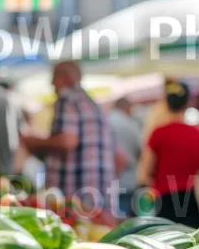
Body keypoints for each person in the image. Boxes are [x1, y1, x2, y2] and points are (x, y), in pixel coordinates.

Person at [21, 61, 125, 216]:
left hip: (75, 197)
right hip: (100, 198)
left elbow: (68, 141)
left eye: (54, 77)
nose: (51, 83)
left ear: (65, 78)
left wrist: (33, 141)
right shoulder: (94, 105)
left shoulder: (67, 98)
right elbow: (121, 159)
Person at [137, 81, 199, 228]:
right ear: (188, 102)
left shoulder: (158, 134)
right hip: (191, 200)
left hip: (163, 202)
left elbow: (143, 174)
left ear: (165, 102)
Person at [108, 97, 142, 217]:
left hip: (107, 181)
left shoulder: (106, 121)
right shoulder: (131, 125)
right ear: (127, 107)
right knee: (124, 223)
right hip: (127, 180)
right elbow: (141, 150)